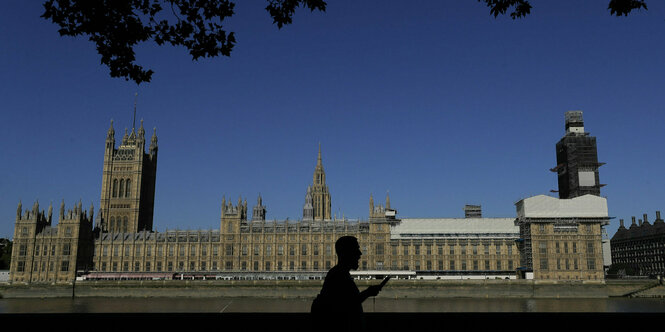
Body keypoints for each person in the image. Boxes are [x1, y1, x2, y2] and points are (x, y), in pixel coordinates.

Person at [311, 236, 390, 331]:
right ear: (346, 253)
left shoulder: (340, 273)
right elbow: (344, 306)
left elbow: (348, 302)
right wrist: (368, 293)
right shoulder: (338, 275)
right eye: (356, 250)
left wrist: (368, 293)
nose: (360, 253)